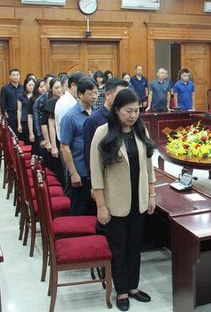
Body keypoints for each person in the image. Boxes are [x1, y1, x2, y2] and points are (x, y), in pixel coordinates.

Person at [90, 88, 156, 310]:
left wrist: (152, 194)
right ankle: (121, 291)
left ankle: (134, 286)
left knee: (135, 246)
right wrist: (101, 206)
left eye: (136, 110)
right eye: (128, 111)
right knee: (119, 248)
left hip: (139, 200)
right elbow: (96, 174)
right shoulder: (103, 132)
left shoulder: (140, 129)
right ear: (117, 110)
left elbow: (148, 164)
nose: (133, 115)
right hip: (115, 202)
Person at [60, 78, 98, 215]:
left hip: (95, 172)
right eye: (90, 93)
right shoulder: (70, 116)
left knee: (95, 211)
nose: (94, 96)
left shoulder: (96, 113)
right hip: (80, 171)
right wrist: (73, 173)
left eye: (96, 93)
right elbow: (64, 147)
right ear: (80, 95)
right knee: (80, 210)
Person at [83, 78, 129, 175]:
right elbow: (89, 157)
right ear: (107, 94)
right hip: (106, 175)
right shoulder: (93, 120)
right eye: (120, 94)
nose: (124, 98)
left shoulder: (126, 118)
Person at [41, 77, 65, 185]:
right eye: (56, 88)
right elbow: (48, 125)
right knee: (59, 167)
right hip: (55, 137)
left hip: (63, 135)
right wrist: (51, 143)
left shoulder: (65, 101)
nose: (59, 90)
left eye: (60, 87)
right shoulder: (51, 103)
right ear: (51, 89)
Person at [55, 72, 85, 143]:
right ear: (73, 85)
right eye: (80, 88)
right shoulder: (65, 103)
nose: (82, 91)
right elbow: (65, 132)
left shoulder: (73, 100)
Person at [0, 68, 22, 132]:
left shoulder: (23, 88)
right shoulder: (5, 88)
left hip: (21, 114)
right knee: (12, 133)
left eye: (17, 75)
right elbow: (2, 103)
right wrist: (4, 114)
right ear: (10, 76)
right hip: (11, 114)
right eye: (14, 75)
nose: (16, 77)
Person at [17, 76, 36, 145]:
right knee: (27, 141)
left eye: (33, 85)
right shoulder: (21, 96)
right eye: (29, 85)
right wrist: (19, 124)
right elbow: (19, 110)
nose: (31, 87)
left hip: (34, 121)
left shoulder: (36, 96)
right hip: (24, 121)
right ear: (25, 85)